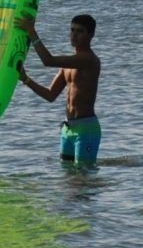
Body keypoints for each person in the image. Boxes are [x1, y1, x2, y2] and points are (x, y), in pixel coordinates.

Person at [19, 13, 102, 164]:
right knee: (67, 178)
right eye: (72, 30)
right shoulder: (68, 65)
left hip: (86, 130)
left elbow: (48, 60)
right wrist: (25, 79)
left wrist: (32, 32)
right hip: (67, 128)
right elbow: (50, 95)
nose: (74, 35)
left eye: (80, 31)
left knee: (83, 179)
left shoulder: (88, 60)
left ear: (91, 35)